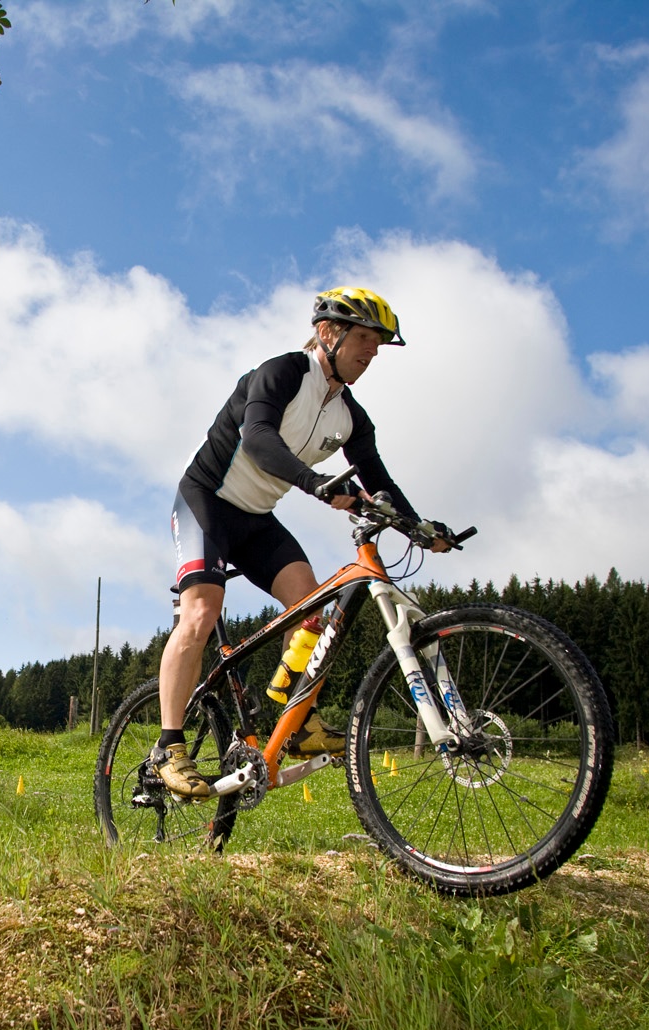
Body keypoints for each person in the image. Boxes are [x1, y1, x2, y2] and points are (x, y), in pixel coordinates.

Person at [152, 286, 453, 798]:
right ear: (328, 332)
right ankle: (169, 747)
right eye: (365, 337)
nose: (373, 351)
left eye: (379, 343)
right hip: (206, 500)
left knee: (311, 608)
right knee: (201, 611)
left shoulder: (350, 415)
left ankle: (299, 720)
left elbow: (377, 479)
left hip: (256, 518)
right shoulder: (283, 372)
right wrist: (315, 484)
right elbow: (257, 438)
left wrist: (419, 527)